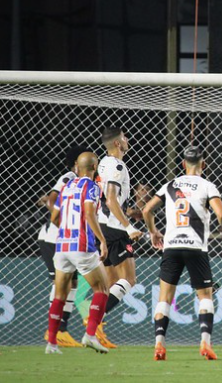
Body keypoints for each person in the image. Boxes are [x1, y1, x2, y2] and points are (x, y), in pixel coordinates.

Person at [142, 146, 222, 361]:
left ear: (182, 164)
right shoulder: (208, 186)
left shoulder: (170, 185)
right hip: (196, 247)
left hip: (171, 246)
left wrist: (154, 232)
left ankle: (159, 345)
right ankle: (205, 343)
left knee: (164, 297)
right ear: (203, 164)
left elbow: (146, 210)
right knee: (205, 296)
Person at [46, 151, 111, 355]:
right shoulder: (91, 186)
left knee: (60, 294)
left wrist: (66, 229)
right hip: (81, 246)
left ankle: (52, 343)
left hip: (62, 245)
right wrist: (102, 240)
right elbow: (90, 213)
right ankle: (90, 335)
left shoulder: (66, 187)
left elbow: (54, 216)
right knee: (102, 289)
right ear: (94, 167)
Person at [41, 145, 87, 348]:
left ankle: (62, 330)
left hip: (63, 240)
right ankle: (53, 331)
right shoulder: (69, 176)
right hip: (53, 238)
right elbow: (52, 200)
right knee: (61, 285)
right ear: (77, 163)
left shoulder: (81, 181)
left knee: (73, 283)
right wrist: (63, 225)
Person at [97, 127, 143, 326]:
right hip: (115, 228)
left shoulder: (104, 164)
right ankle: (96, 317)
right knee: (129, 280)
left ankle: (95, 329)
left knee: (110, 283)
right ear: (117, 143)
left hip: (102, 226)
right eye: (124, 137)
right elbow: (110, 200)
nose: (127, 139)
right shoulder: (117, 166)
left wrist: (128, 212)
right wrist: (129, 226)